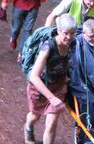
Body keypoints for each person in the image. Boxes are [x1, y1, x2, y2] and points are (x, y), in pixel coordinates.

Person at [25, 14, 77, 144]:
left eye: (72, 33)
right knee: (35, 116)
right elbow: (34, 76)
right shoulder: (47, 47)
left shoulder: (72, 43)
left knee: (52, 123)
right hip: (40, 88)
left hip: (58, 87)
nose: (69, 37)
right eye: (65, 33)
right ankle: (28, 127)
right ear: (58, 30)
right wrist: (51, 98)